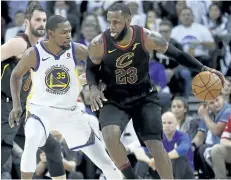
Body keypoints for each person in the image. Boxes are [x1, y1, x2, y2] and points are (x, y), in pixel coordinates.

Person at [86, 3, 225, 179]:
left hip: (144, 97)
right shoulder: (99, 43)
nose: (112, 27)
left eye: (116, 22)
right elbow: (90, 68)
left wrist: (203, 68)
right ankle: (131, 177)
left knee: (155, 145)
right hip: (115, 98)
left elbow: (178, 54)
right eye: (109, 22)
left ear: (128, 20)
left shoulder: (146, 37)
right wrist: (92, 88)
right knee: (109, 136)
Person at [9, 14, 123, 180]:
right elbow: (15, 75)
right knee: (32, 139)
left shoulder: (76, 49)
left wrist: (94, 85)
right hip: (41, 111)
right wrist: (16, 105)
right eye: (64, 32)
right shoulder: (34, 53)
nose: (68, 35)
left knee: (104, 161)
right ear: (51, 33)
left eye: (70, 31)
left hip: (70, 113)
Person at [1, 3, 67, 179]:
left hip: (23, 110)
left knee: (52, 146)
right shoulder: (19, 43)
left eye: (44, 20)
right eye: (37, 20)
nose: (42, 24)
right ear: (27, 22)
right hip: (5, 106)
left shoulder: (41, 50)